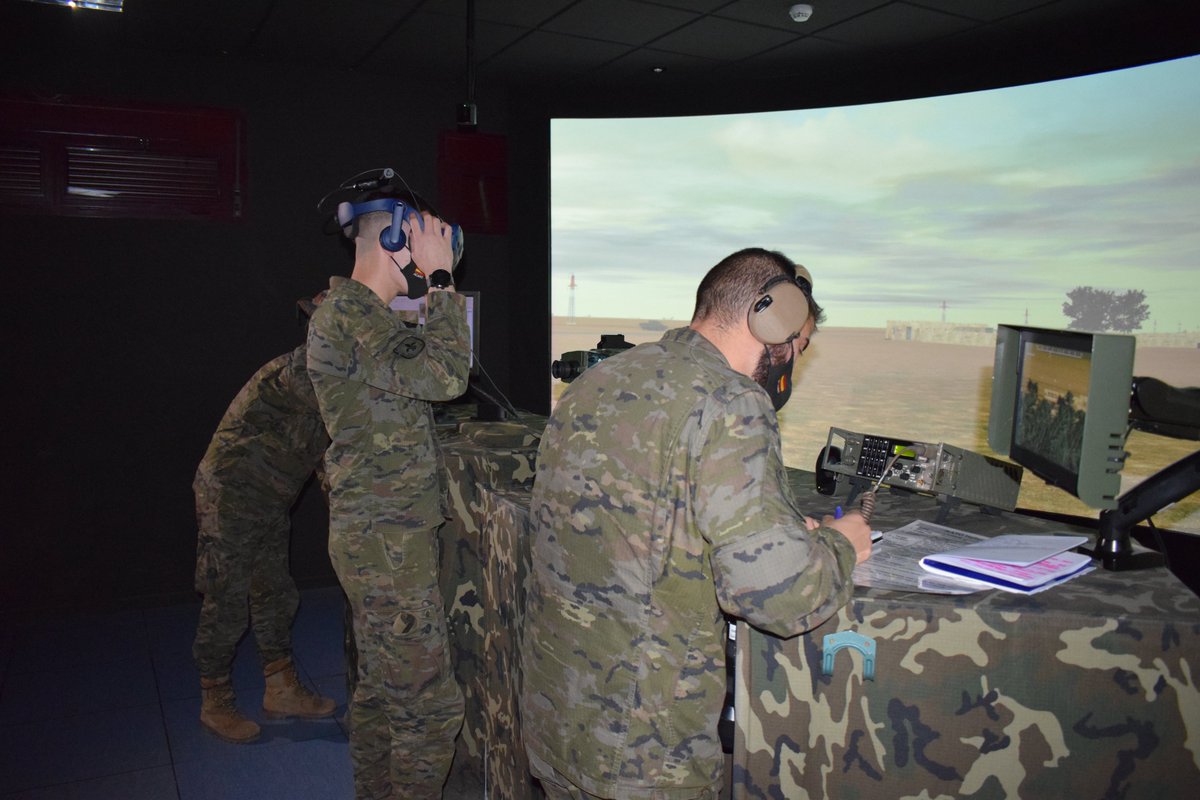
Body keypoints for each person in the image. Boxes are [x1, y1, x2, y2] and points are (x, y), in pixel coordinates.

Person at [520, 247, 874, 800]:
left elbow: (649, 522)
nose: (791, 365)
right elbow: (778, 596)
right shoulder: (732, 402)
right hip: (645, 750)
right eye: (797, 347)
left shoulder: (599, 378)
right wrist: (841, 544)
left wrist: (775, 530)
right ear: (773, 321)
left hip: (557, 721)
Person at [307, 183, 470, 799]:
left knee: (381, 693)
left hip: (384, 535)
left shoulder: (361, 318)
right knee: (429, 713)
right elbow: (448, 375)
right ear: (396, 240)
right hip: (384, 542)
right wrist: (442, 283)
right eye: (425, 238)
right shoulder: (350, 316)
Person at [192, 293, 338, 743]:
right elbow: (351, 420)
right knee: (227, 599)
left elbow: (327, 449)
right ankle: (215, 699)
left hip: (270, 499)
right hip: (232, 496)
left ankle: (281, 688)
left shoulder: (333, 378)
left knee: (275, 592)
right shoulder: (300, 373)